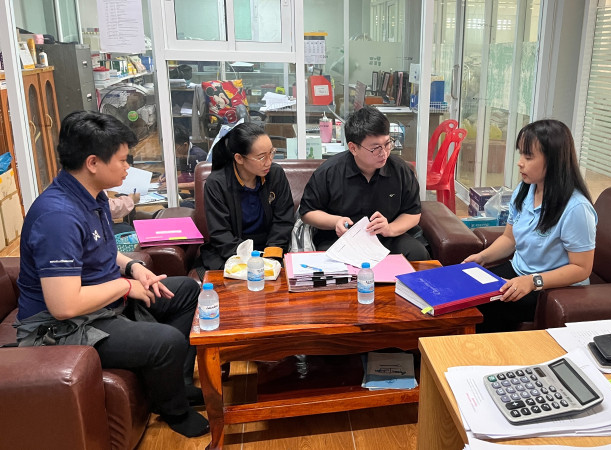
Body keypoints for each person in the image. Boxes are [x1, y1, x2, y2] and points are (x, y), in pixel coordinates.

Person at [14, 111, 209, 437]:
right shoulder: (57, 217)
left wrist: (134, 267)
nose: (127, 168)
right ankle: (174, 411)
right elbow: (64, 305)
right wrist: (124, 287)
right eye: (121, 160)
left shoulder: (94, 195)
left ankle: (175, 384)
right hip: (62, 327)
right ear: (93, 162)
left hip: (101, 302)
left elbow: (101, 250)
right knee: (168, 341)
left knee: (187, 291)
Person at [463, 119, 597, 333]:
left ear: (553, 160)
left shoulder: (576, 208)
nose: (520, 163)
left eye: (528, 156)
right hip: (519, 272)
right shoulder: (526, 189)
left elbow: (581, 269)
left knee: (479, 308)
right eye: (520, 154)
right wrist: (482, 257)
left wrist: (533, 281)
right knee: (464, 290)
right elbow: (509, 239)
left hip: (552, 288)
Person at [299, 106, 430, 261]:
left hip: (387, 237)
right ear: (353, 148)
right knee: (329, 262)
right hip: (341, 239)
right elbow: (307, 213)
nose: (384, 152)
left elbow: (413, 213)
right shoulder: (329, 172)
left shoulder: (400, 170)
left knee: (418, 253)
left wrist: (389, 228)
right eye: (375, 148)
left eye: (387, 143)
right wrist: (336, 221)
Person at [197, 122, 294, 279]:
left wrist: (270, 256)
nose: (269, 161)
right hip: (232, 252)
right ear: (239, 158)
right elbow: (220, 232)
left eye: (271, 153)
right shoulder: (217, 183)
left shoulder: (275, 174)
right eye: (261, 157)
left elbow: (283, 220)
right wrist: (250, 261)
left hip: (270, 248)